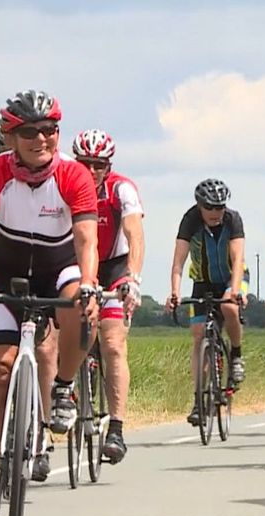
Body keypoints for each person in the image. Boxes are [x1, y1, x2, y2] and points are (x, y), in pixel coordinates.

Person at [0, 90, 100, 515]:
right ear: (10, 137)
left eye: (50, 130)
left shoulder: (73, 175)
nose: (41, 139)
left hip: (60, 267)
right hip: (5, 274)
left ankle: (65, 388)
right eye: (29, 131)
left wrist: (89, 281)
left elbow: (87, 237)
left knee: (77, 303)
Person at [71, 129, 146, 463]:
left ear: (108, 165)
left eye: (98, 165)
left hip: (114, 266)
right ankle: (65, 393)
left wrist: (133, 277)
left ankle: (116, 428)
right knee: (64, 333)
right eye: (85, 163)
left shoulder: (121, 188)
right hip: (74, 264)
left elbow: (134, 233)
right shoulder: (66, 185)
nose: (91, 171)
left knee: (113, 344)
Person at [165, 179, 247, 426]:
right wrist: (174, 292)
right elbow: (178, 262)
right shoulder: (190, 220)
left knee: (229, 306)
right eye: (210, 207)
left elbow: (238, 256)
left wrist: (234, 290)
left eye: (220, 207)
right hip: (202, 280)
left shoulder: (233, 220)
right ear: (199, 206)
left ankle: (236, 355)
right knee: (199, 334)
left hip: (233, 277)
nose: (215, 212)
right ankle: (199, 401)